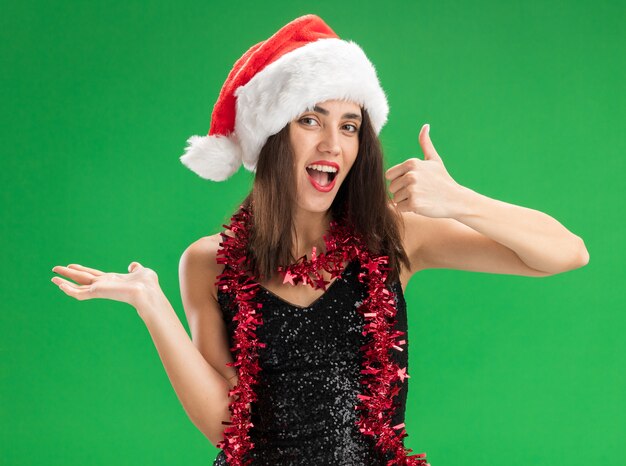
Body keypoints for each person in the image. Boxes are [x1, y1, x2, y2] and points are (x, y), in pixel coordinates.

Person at [50, 14, 589, 466]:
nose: (333, 143)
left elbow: (566, 253)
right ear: (273, 137)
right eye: (311, 119)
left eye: (350, 125)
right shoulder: (208, 263)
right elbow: (227, 426)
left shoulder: (393, 237)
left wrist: (459, 202)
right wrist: (151, 305)